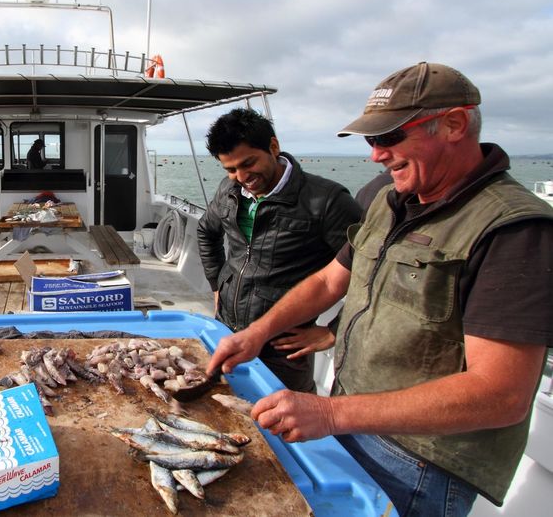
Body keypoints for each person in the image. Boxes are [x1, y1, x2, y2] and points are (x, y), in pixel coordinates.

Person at [207, 62, 553, 515]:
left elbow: (501, 394)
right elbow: (331, 279)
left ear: (455, 124)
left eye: (390, 137)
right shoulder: (385, 198)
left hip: (422, 461)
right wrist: (256, 334)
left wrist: (329, 414)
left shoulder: (515, 230)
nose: (376, 155)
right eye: (371, 140)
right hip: (349, 420)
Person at [197, 108, 361, 392]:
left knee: (285, 423)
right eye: (231, 169)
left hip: (282, 347)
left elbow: (372, 273)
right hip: (225, 329)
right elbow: (206, 232)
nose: (241, 176)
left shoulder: (327, 202)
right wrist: (216, 286)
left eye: (248, 163)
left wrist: (334, 331)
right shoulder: (228, 190)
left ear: (273, 147)